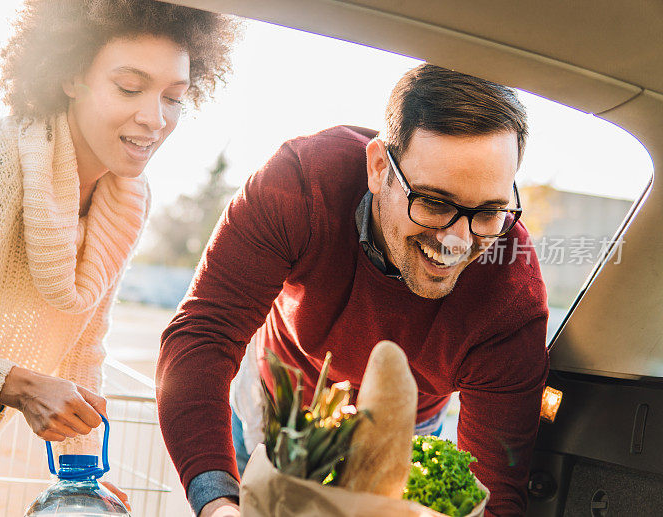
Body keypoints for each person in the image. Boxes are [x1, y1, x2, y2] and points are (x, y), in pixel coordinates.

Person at [0, 0, 238, 515]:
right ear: (70, 75)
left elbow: (81, 346)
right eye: (130, 86)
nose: (156, 118)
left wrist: (85, 474)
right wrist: (14, 384)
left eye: (173, 97)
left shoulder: (126, 199)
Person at [157, 64, 549, 517]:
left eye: (488, 212)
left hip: (407, 432)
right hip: (281, 409)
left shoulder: (512, 295)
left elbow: (495, 488)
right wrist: (217, 503)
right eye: (434, 202)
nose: (458, 240)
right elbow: (203, 335)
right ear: (379, 167)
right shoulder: (299, 185)